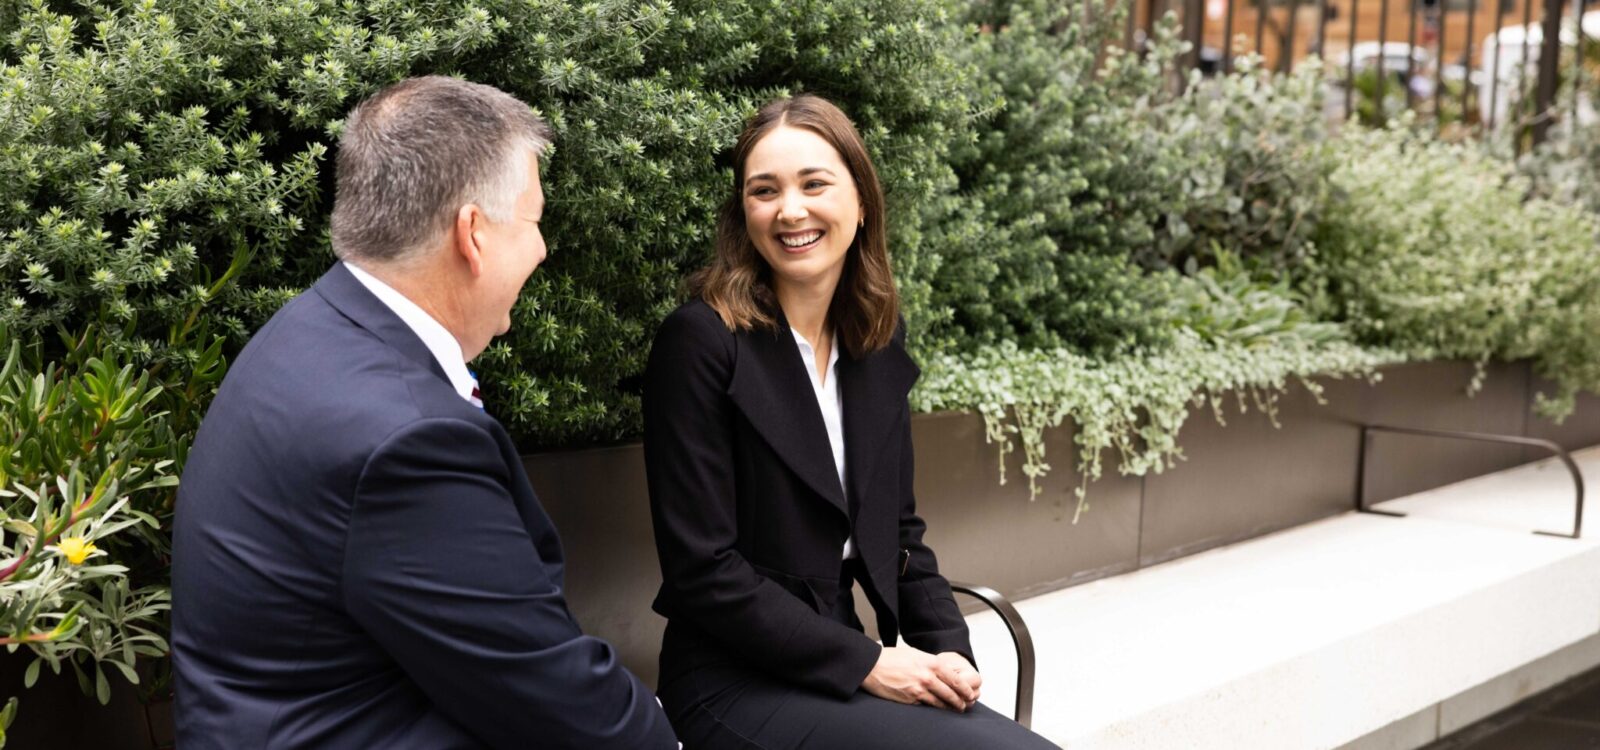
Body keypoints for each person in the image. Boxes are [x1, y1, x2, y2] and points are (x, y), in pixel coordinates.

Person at [171, 76, 677, 749]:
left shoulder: (310, 331)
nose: (543, 248)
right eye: (533, 220)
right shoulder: (403, 439)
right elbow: (550, 694)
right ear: (473, 233)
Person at [643, 95, 1059, 750]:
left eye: (814, 184)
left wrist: (949, 653)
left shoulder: (875, 342)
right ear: (743, 212)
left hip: (841, 660)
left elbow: (899, 533)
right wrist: (869, 663)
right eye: (764, 190)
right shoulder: (701, 341)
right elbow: (704, 570)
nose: (790, 210)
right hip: (734, 680)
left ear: (861, 202)